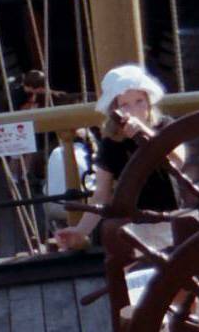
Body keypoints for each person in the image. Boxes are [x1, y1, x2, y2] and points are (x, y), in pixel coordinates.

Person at [52, 66, 174, 253]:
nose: (134, 110)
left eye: (139, 101)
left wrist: (145, 132)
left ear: (149, 102)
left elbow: (178, 158)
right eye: (125, 105)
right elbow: (102, 194)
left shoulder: (166, 127)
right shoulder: (111, 144)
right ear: (115, 110)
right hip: (137, 225)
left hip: (176, 218)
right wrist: (80, 231)